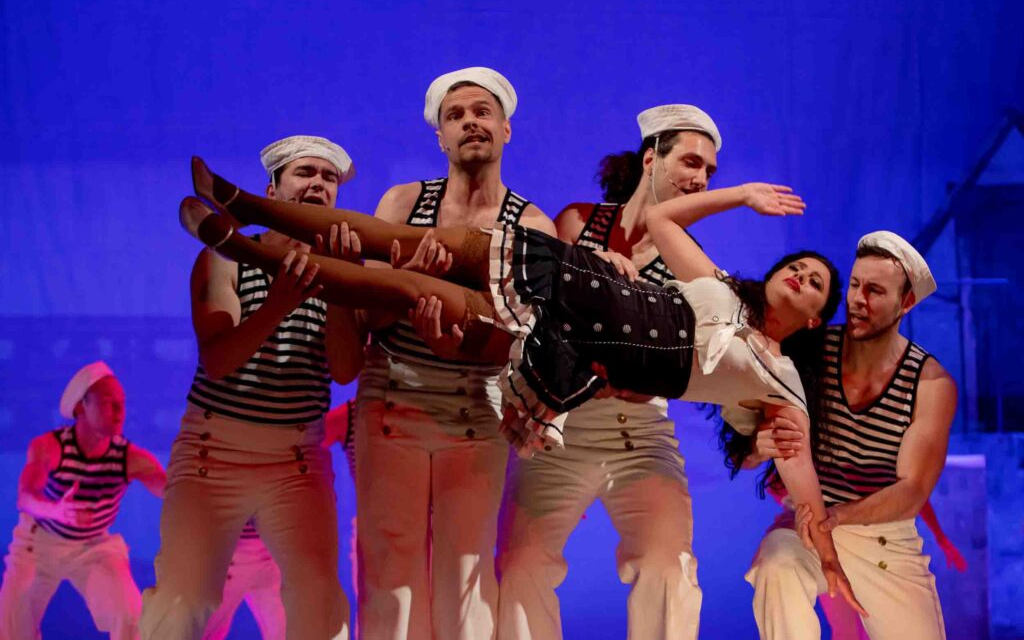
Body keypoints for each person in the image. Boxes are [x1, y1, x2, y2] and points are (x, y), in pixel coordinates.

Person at [179, 152, 864, 606]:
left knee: (407, 287)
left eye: (815, 283)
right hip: (576, 278)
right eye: (797, 266)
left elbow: (801, 478)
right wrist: (742, 195)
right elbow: (660, 217)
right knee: (410, 247)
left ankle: (250, 250)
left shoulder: (780, 380)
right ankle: (247, 210)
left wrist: (827, 549)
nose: (800, 275)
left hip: (572, 343)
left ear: (814, 318)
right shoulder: (720, 288)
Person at [495, 104, 720, 639]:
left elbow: (688, 356)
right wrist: (595, 271)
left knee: (669, 566)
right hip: (561, 430)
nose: (701, 179)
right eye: (691, 162)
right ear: (651, 159)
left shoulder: (690, 258)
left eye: (710, 172)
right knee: (520, 564)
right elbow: (547, 315)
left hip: (640, 434)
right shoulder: (580, 222)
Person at [352, 67, 556, 640]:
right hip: (393, 399)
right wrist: (407, 285)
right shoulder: (403, 202)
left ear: (506, 130)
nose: (470, 122)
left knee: (466, 572)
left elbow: (525, 342)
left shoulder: (532, 226)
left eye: (482, 112)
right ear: (440, 136)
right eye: (455, 115)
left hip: (477, 409)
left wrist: (456, 340)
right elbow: (367, 317)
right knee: (390, 571)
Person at [141, 136, 362, 640]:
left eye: (329, 178)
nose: (319, 184)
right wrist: (279, 302)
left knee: (319, 600)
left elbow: (345, 369)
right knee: (183, 599)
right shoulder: (227, 258)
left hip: (296, 460)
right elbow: (219, 361)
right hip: (213, 455)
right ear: (271, 191)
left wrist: (340, 286)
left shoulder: (340, 269)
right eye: (305, 172)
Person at [742, 231, 957, 639]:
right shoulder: (810, 351)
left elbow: (912, 492)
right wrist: (757, 447)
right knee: (777, 565)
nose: (858, 299)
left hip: (883, 539)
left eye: (875, 290)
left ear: (906, 302)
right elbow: (748, 450)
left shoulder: (930, 383)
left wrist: (838, 517)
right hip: (807, 524)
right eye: (856, 285)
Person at [0, 361, 166, 639]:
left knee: (131, 615)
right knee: (12, 626)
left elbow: (170, 491)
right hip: (39, 543)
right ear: (81, 407)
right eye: (108, 402)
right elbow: (25, 498)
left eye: (122, 403)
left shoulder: (129, 458)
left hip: (93, 545)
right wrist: (57, 511)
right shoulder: (50, 446)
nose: (119, 411)